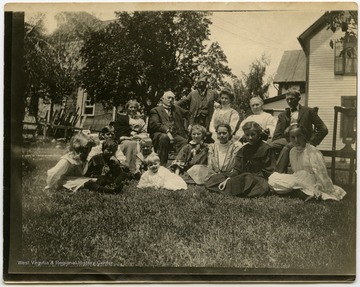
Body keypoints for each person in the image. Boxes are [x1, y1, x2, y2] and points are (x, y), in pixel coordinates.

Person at [269, 124, 346, 201]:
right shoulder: (292, 151)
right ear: (289, 139)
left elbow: (321, 174)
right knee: (273, 178)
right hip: (297, 179)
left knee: (292, 184)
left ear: (304, 136)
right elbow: (296, 172)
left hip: (311, 181)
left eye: (299, 136)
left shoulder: (312, 152)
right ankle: (299, 192)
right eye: (293, 137)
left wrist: (318, 187)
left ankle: (306, 194)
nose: (296, 140)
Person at [270, 89, 328, 173]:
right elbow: (277, 134)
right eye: (287, 99)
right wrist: (275, 143)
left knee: (286, 148)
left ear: (299, 98)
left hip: (301, 140)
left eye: (292, 99)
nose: (289, 101)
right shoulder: (282, 115)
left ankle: (277, 174)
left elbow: (323, 129)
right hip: (287, 139)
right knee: (269, 146)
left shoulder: (309, 111)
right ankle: (268, 172)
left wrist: (312, 142)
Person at [216, 121, 276, 197]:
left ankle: (233, 189)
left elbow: (269, 171)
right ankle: (232, 187)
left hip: (259, 180)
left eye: (253, 134)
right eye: (247, 135)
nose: (250, 137)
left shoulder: (266, 149)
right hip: (242, 177)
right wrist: (228, 178)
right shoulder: (243, 149)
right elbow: (237, 168)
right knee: (219, 177)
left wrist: (251, 175)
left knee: (247, 178)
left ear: (258, 134)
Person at [45, 133, 117, 193]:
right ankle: (111, 191)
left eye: (90, 148)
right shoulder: (68, 159)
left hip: (76, 179)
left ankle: (108, 185)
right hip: (65, 182)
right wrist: (49, 187)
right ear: (78, 148)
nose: (88, 151)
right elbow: (53, 173)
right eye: (86, 149)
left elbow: (82, 173)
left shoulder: (82, 160)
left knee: (98, 180)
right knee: (89, 184)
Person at [148, 91, 188, 166]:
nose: (170, 100)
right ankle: (162, 165)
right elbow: (155, 124)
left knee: (184, 142)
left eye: (172, 98)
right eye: (168, 98)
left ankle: (178, 164)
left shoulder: (176, 109)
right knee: (164, 137)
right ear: (162, 99)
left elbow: (187, 113)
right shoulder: (155, 110)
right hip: (159, 134)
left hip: (174, 135)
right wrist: (167, 130)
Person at [113, 99, 148, 174]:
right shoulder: (123, 118)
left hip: (139, 136)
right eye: (131, 107)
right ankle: (129, 168)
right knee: (130, 144)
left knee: (146, 143)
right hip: (126, 137)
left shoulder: (140, 120)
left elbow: (144, 130)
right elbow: (119, 130)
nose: (133, 109)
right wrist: (129, 133)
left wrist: (139, 135)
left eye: (135, 107)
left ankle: (143, 167)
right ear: (127, 108)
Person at [204, 124, 241, 190]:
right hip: (215, 173)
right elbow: (210, 163)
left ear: (229, 134)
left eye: (224, 133)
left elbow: (235, 164)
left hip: (229, 173)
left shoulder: (235, 147)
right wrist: (215, 172)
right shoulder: (212, 147)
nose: (221, 135)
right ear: (217, 134)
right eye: (219, 133)